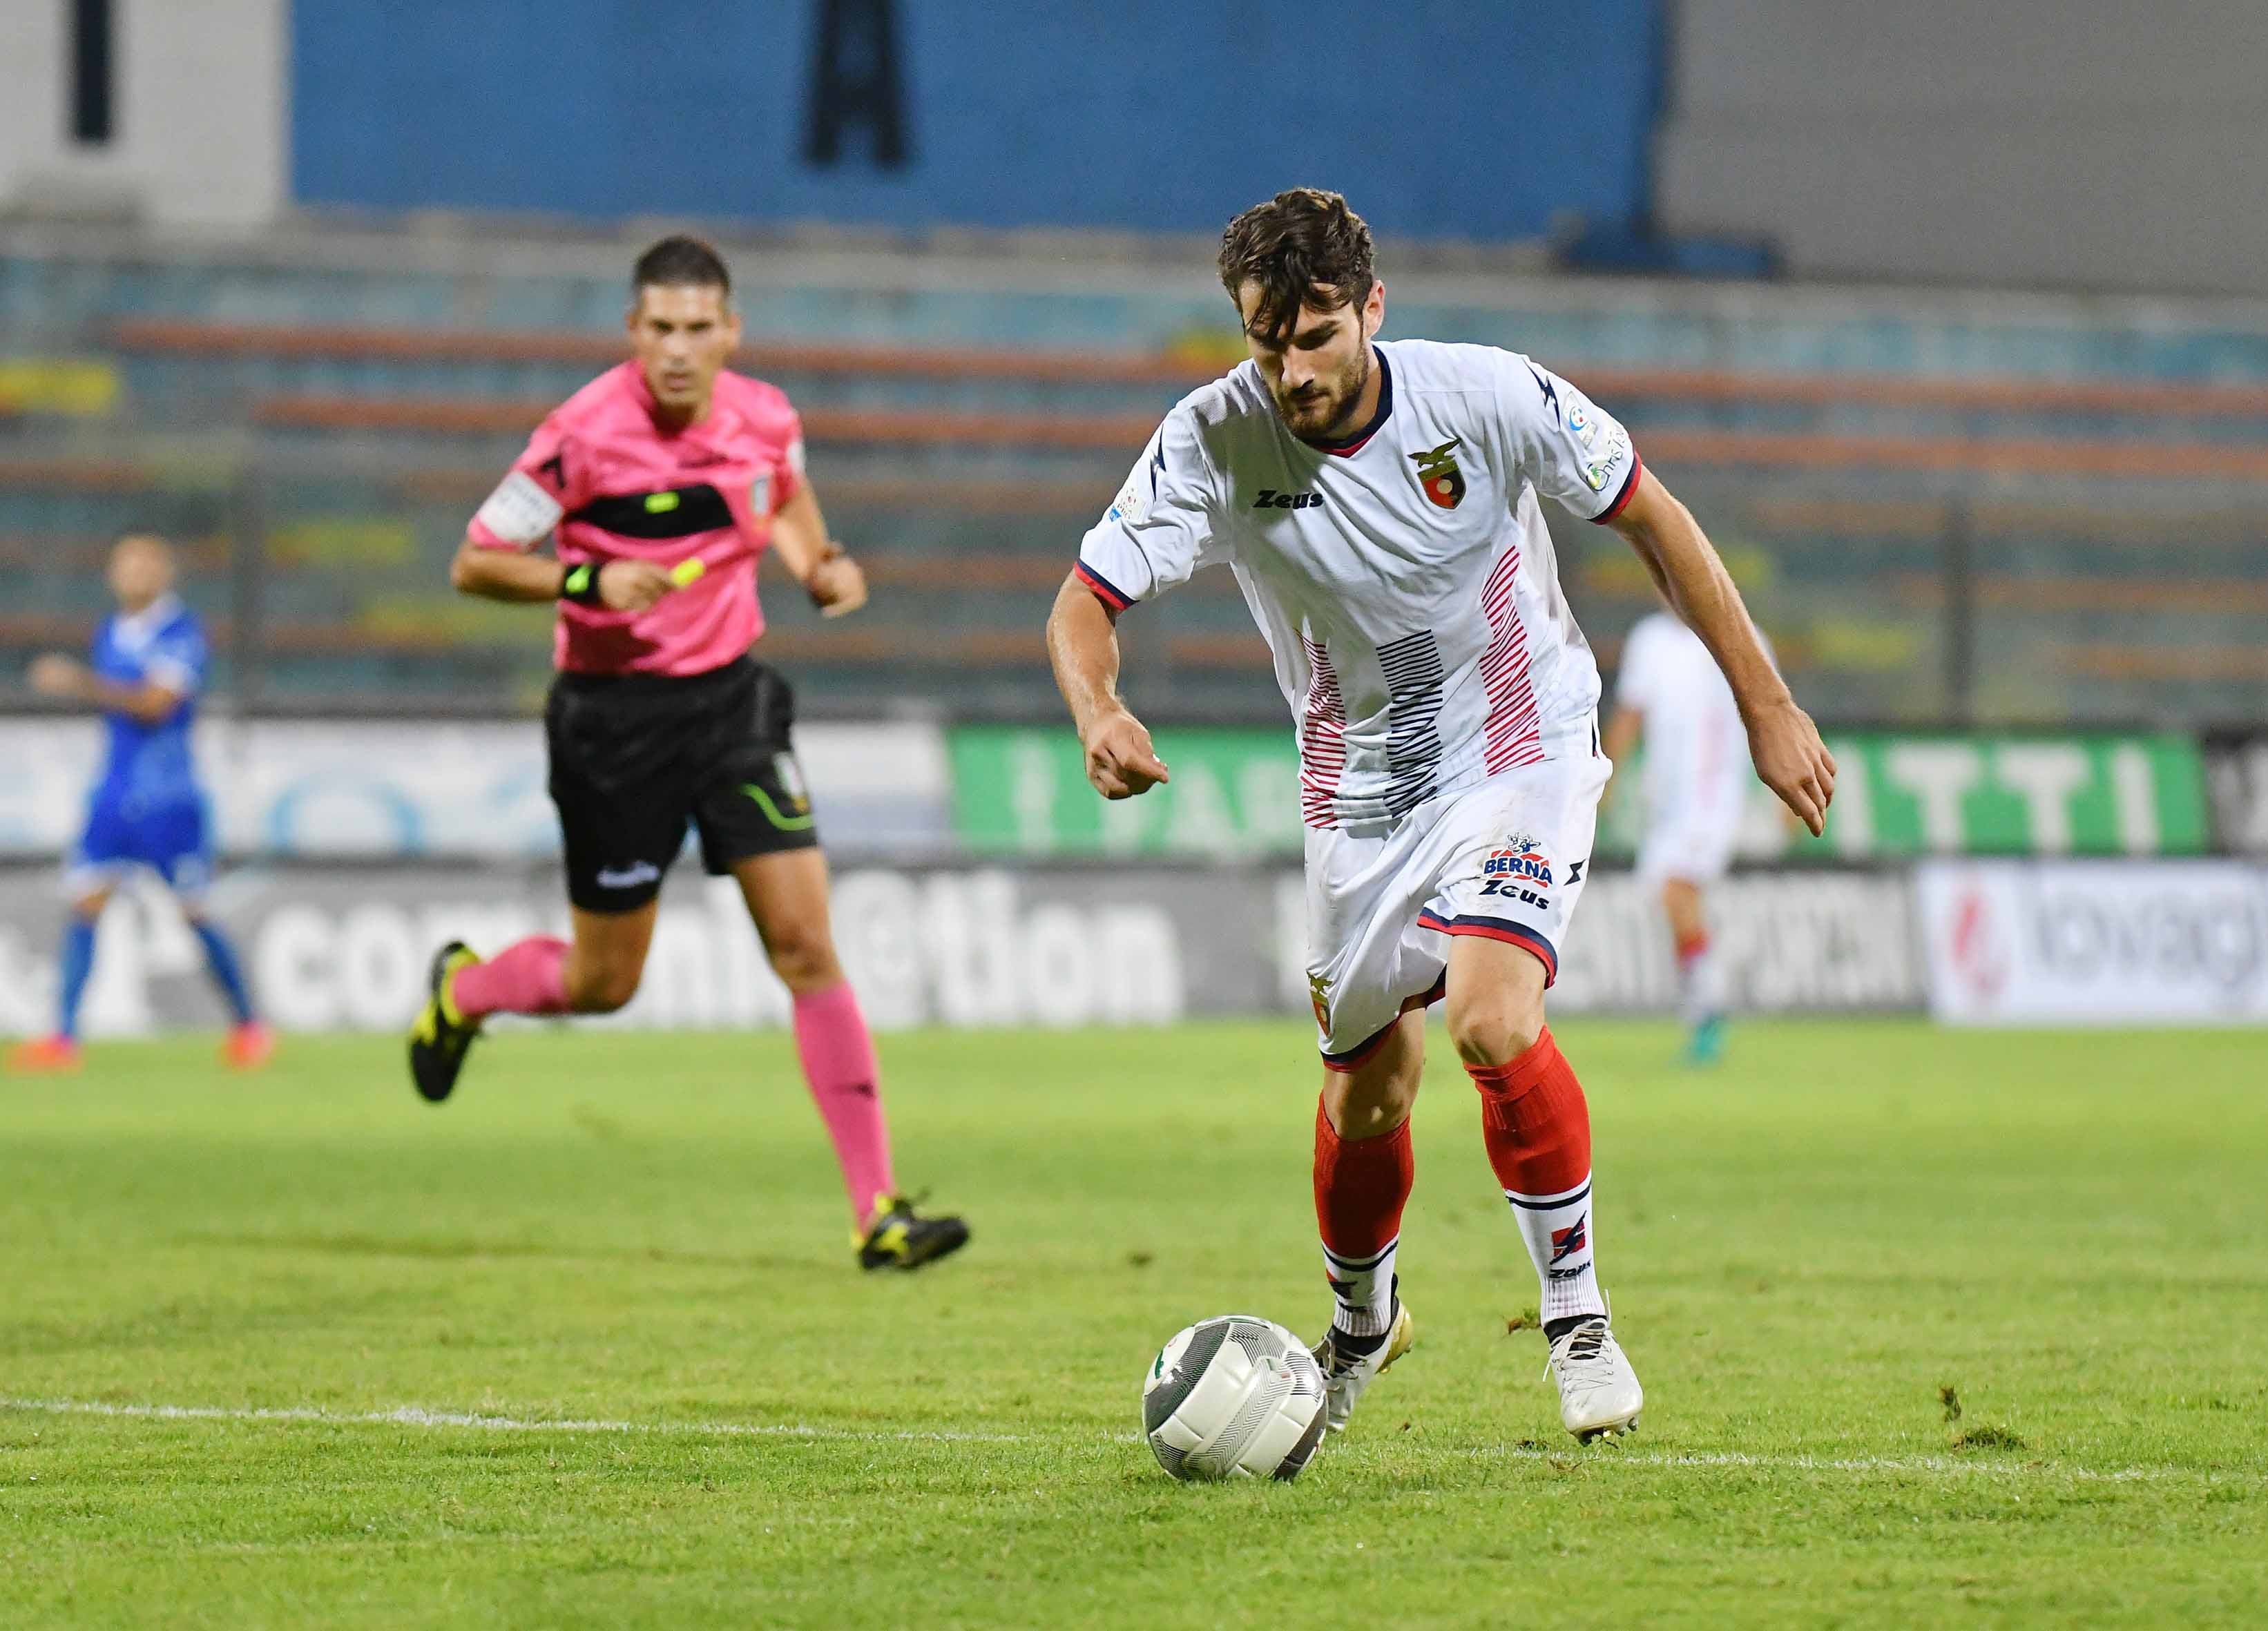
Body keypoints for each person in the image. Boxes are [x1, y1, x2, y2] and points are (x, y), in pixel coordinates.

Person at [1046, 190, 1832, 1441]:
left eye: (1316, 336)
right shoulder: (1211, 439)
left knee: (1488, 1015)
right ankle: (1363, 1324)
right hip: (1357, 794)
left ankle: (1576, 1319)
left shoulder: (1486, 396)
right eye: (1266, 343)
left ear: (1371, 308)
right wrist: (1098, 710)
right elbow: (1083, 603)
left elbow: (1651, 515)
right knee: (1366, 1092)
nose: (1293, 372)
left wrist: (1767, 706)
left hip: (1518, 745)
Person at [407, 234, 967, 1273]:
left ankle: (877, 1210)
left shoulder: (766, 419)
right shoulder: (577, 437)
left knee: (805, 945)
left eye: (698, 328)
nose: (678, 349)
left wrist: (820, 564)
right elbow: (475, 562)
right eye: (660, 328)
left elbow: (784, 495)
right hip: (611, 721)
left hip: (731, 706)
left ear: (730, 332)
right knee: (603, 981)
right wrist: (586, 583)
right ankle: (467, 993)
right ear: (632, 330)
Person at [10, 535, 271, 1072]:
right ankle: (62, 1038)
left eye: (146, 564)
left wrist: (79, 682)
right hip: (115, 791)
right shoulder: (110, 630)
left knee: (194, 912)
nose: (135, 573)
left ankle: (249, 1027)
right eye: (126, 564)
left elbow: (156, 705)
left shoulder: (180, 632)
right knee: (86, 902)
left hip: (168, 797)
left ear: (166, 573)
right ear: (112, 573)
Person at [1602, 606, 1771, 1065]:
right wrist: (1608, 778)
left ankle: (1708, 1012)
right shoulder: (1649, 640)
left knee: (1677, 891)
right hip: (1666, 805)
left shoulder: (1740, 631)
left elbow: (1769, 712)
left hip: (1713, 799)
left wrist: (1782, 790)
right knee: (1671, 898)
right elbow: (1630, 714)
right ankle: (1704, 1004)